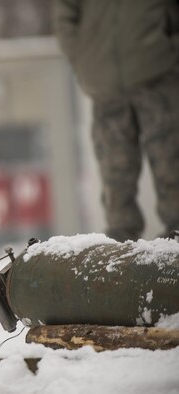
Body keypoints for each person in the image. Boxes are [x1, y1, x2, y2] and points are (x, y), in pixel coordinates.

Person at [53, 0, 179, 241]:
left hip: (159, 73)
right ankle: (121, 240)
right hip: (104, 82)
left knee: (171, 160)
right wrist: (83, 60)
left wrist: (170, 48)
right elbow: (65, 14)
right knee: (114, 168)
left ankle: (177, 232)